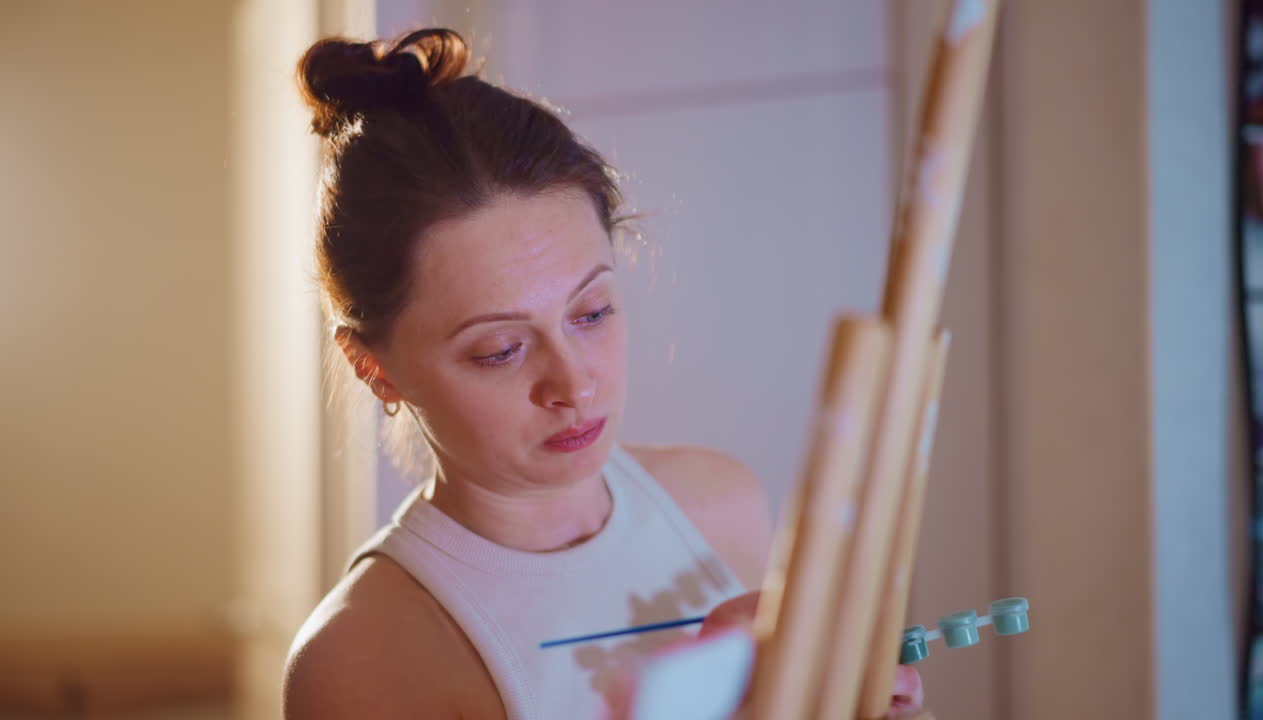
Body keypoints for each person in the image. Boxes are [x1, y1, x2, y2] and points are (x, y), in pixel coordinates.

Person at [282, 27, 922, 719]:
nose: (575, 384)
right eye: (499, 350)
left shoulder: (719, 504)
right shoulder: (362, 656)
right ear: (373, 368)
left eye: (590, 312)